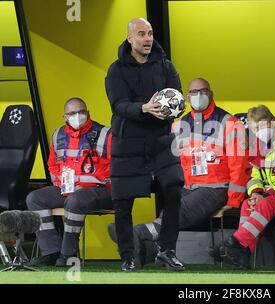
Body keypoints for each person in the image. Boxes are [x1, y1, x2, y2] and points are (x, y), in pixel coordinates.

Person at [107, 78, 251, 265]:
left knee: (179, 211)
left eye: (203, 91)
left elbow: (239, 165)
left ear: (211, 93)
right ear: (187, 97)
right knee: (170, 208)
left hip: (216, 187)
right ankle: (146, 252)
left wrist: (233, 199)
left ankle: (137, 233)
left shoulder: (231, 124)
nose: (198, 96)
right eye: (193, 92)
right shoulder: (178, 125)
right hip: (189, 186)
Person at [105, 18, 184, 272]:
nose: (148, 38)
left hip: (161, 142)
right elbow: (117, 105)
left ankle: (166, 250)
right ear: (130, 39)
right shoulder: (116, 70)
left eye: (150, 33)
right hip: (127, 143)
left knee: (173, 190)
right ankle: (128, 256)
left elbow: (178, 98)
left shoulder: (165, 66)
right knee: (123, 202)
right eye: (141, 34)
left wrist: (172, 111)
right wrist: (143, 108)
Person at [27, 97, 112, 267]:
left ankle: (68, 254)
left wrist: (83, 183)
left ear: (88, 113)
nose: (78, 116)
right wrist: (61, 181)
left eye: (81, 112)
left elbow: (115, 168)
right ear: (65, 117)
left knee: (76, 199)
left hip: (101, 190)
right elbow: (52, 165)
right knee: (34, 198)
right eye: (72, 113)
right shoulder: (58, 135)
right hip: (68, 189)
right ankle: (52, 251)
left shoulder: (105, 134)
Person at [218, 105, 275, 269]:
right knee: (247, 204)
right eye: (255, 128)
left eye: (262, 125)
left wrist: (267, 195)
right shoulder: (256, 146)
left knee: (264, 204)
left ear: (272, 121)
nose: (260, 130)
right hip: (271, 197)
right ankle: (244, 255)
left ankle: (235, 243)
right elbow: (254, 176)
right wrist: (256, 193)